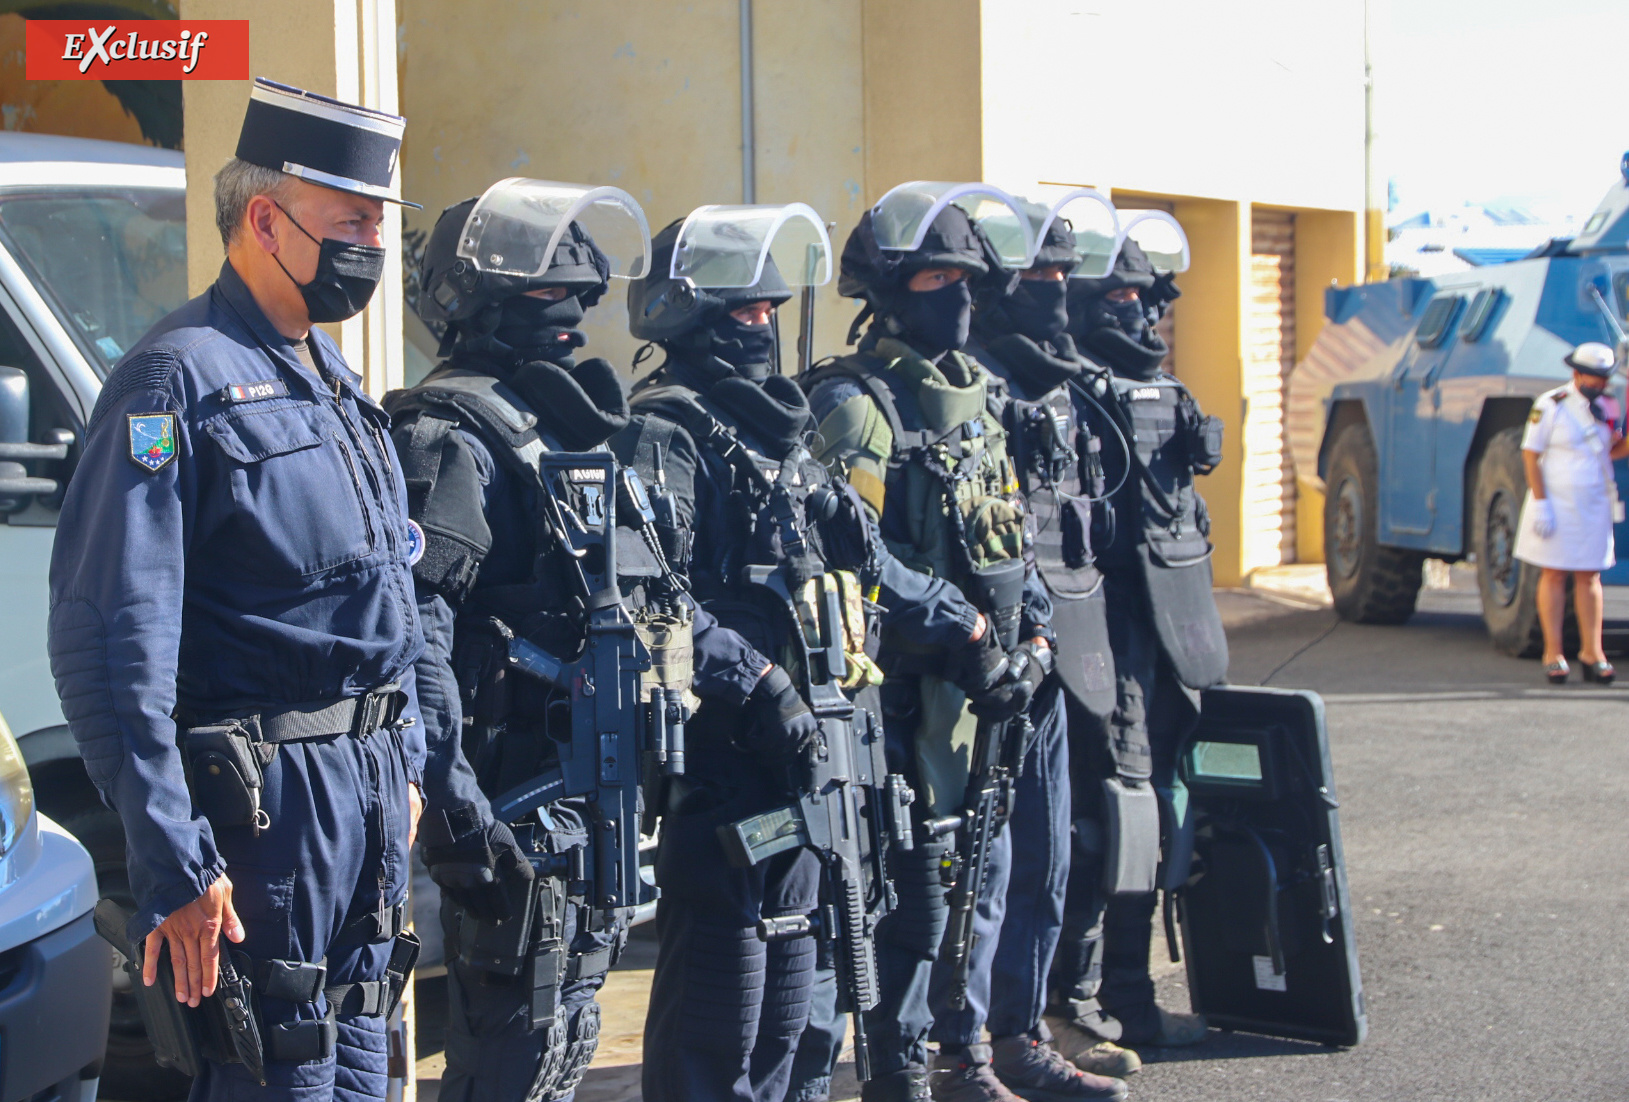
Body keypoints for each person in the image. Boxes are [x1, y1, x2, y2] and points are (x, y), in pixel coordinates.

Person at [48, 78, 424, 1102]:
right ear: (266, 217)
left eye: (378, 221)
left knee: (357, 1074)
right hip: (265, 817)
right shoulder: (175, 384)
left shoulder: (335, 384)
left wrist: (414, 766)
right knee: (278, 1080)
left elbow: (394, 608)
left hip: (367, 805)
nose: (371, 244)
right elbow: (113, 638)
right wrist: (173, 856)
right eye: (351, 219)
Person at [388, 184, 772, 1102]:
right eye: (537, 299)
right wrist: (458, 809)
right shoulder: (449, 439)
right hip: (510, 794)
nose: (566, 319)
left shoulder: (561, 439)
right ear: (470, 304)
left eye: (575, 298)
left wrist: (729, 690)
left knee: (568, 1032)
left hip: (590, 790)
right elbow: (417, 644)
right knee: (513, 1043)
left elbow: (650, 601)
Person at [616, 208, 1000, 1102]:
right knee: (724, 998)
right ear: (690, 315)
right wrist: (754, 683)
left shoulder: (776, 435)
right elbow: (644, 614)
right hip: (723, 767)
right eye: (745, 312)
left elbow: (870, 560)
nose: (764, 327)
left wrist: (967, 624)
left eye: (770, 311)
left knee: (797, 1003)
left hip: (818, 758)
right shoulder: (660, 435)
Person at [803, 188, 1124, 1102]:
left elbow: (1009, 529)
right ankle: (951, 1060)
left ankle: (1011, 1037)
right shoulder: (855, 405)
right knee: (939, 890)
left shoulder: (978, 397)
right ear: (891, 291)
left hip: (1014, 675)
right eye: (939, 278)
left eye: (969, 281)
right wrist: (958, 635)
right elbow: (847, 560)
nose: (960, 300)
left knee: (1031, 865)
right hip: (923, 690)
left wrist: (1029, 636)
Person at [961, 213, 1139, 1081]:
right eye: (1039, 275)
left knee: (1054, 850)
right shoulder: (975, 385)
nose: (1058, 291)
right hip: (984, 655)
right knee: (980, 865)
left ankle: (1026, 1031)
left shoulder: (1061, 384)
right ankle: (955, 1047)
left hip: (1064, 631)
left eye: (1065, 274)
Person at [1049, 239, 1226, 1053]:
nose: (1142, 311)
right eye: (1120, 295)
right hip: (1105, 632)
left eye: (1146, 295)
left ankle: (1119, 989)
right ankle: (1097, 995)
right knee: (1111, 815)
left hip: (1171, 628)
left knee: (1160, 809)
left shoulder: (1158, 387)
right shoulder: (1066, 392)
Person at [1514, 341, 1629, 684]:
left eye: (1602, 379)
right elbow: (1531, 455)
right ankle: (1554, 653)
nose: (1598, 384)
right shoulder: (1550, 405)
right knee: (1554, 574)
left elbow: (1612, 450)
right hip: (1556, 501)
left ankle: (1593, 653)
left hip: (1593, 500)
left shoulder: (1608, 405)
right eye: (1592, 377)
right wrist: (1541, 502)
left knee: (1590, 576)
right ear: (1576, 374)